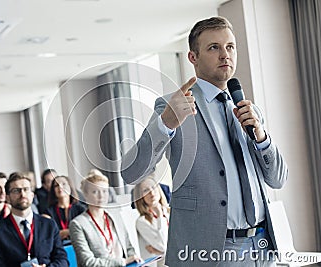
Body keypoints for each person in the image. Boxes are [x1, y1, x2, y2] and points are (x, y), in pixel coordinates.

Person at [121, 16, 288, 266]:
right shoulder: (174, 106)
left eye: (230, 47)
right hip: (211, 252)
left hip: (263, 246)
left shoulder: (248, 109)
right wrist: (165, 123)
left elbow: (278, 179)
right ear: (193, 57)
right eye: (214, 47)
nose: (225, 55)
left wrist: (261, 137)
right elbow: (131, 172)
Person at [0, 172, 68, 267]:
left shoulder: (49, 225)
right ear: (7, 198)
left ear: (32, 195)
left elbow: (62, 260)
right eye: (16, 190)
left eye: (26, 189)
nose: (22, 194)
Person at [69, 172, 141, 267]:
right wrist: (124, 262)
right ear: (86, 195)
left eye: (104, 191)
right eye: (95, 192)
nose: (101, 196)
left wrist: (134, 259)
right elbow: (88, 262)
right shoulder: (78, 224)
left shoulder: (116, 217)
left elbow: (128, 247)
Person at [133, 175, 169, 267]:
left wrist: (160, 251)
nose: (151, 193)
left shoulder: (170, 212)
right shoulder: (142, 221)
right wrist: (160, 216)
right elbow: (163, 246)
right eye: (146, 190)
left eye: (153, 187)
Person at [43, 175, 85, 242]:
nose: (60, 187)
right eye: (56, 185)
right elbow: (48, 235)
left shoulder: (80, 209)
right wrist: (72, 232)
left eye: (64, 184)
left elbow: (85, 230)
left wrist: (63, 233)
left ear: (70, 187)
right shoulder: (48, 212)